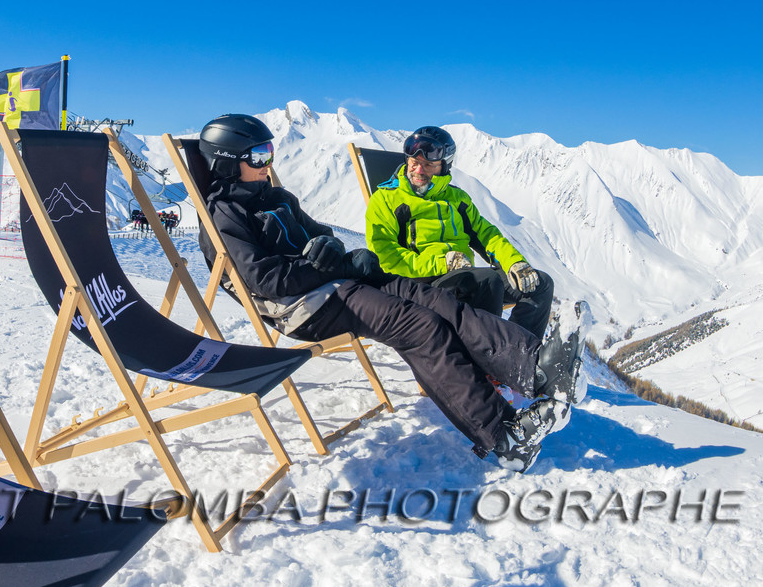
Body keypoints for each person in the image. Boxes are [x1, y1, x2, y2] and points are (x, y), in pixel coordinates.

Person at [195, 114, 581, 468]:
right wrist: (324, 264)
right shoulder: (224, 215)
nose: (268, 163)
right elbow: (266, 280)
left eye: (270, 153)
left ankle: (537, 368)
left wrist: (333, 252)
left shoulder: (276, 197)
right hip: (305, 306)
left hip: (333, 283)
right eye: (258, 156)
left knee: (437, 302)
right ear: (227, 161)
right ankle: (504, 436)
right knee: (422, 327)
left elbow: (321, 235)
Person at [366, 125, 554, 340]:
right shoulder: (386, 199)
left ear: (444, 166)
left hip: (462, 278)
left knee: (540, 284)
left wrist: (514, 262)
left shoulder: (457, 199)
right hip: (421, 283)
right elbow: (385, 255)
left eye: (428, 165)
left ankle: (522, 353)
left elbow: (486, 234)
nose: (418, 171)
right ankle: (490, 361)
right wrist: (442, 263)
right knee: (485, 281)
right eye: (414, 163)